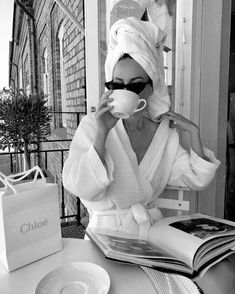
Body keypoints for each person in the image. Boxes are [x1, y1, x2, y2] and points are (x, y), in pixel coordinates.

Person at [63, 17, 230, 294]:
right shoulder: (93, 126)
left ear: (152, 87)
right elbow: (81, 187)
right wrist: (103, 135)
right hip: (105, 242)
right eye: (117, 84)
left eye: (136, 84)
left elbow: (195, 178)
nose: (125, 92)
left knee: (218, 279)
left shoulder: (165, 134)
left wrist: (194, 134)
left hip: (150, 240)